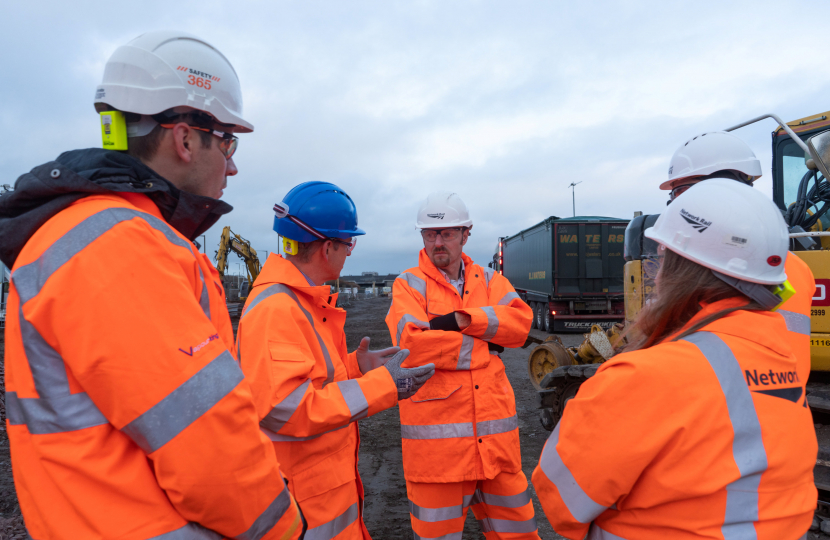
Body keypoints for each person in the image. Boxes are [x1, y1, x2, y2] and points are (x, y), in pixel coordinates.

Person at [0, 31, 303, 539]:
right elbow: (209, 450)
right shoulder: (120, 246)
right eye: (227, 141)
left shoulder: (89, 234)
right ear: (185, 139)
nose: (233, 163)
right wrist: (286, 526)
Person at [533, 179, 817, 539]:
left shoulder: (642, 376)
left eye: (662, 257)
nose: (655, 269)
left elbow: (560, 499)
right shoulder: (784, 363)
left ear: (681, 269)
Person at [236, 181, 435, 539]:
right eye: (348, 243)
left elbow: (308, 378)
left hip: (319, 495)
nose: (350, 253)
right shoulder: (277, 310)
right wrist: (384, 385)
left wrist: (357, 367)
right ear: (327, 247)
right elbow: (288, 407)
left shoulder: (300, 302)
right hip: (304, 507)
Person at [385, 192, 540, 540]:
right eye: (430, 234)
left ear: (466, 234)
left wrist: (463, 319)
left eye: (447, 233)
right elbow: (412, 346)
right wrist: (486, 342)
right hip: (437, 462)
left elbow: (521, 326)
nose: (438, 242)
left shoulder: (488, 280)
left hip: (497, 454)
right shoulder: (407, 285)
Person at [660, 131, 813, 382]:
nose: (675, 205)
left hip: (717, 405)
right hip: (788, 404)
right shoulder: (795, 267)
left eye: (680, 192)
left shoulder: (700, 268)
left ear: (717, 191)